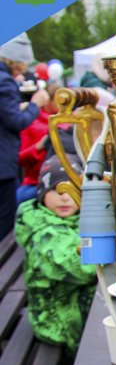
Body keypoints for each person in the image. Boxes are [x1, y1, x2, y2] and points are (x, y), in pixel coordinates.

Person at [14, 154, 97, 356]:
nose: (64, 196)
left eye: (72, 188)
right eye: (55, 189)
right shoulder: (42, 231)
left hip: (77, 312)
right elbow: (79, 268)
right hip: (57, 324)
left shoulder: (78, 218)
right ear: (42, 193)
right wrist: (107, 248)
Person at [0, 33, 50, 239]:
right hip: (3, 164)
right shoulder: (4, 81)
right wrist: (35, 105)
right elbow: (16, 122)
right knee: (5, 217)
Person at [17, 84, 61, 205]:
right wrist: (39, 146)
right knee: (20, 197)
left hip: (66, 182)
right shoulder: (31, 121)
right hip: (35, 182)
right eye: (59, 101)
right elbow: (20, 158)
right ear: (48, 101)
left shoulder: (72, 120)